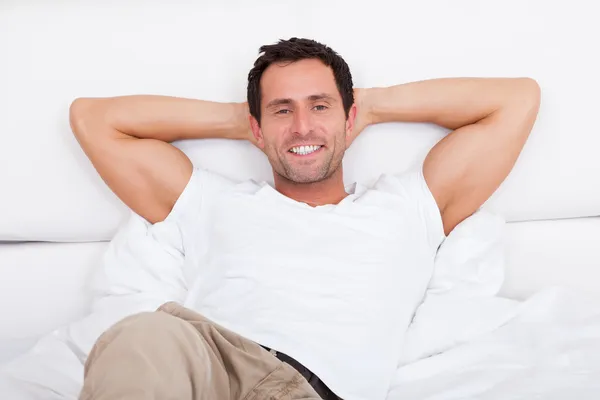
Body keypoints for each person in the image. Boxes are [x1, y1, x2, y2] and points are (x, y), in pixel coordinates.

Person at [69, 37, 540, 400]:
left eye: (319, 106)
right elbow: (93, 119)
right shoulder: (213, 201)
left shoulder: (407, 206)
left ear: (348, 118)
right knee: (142, 333)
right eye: (282, 110)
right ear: (256, 127)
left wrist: (368, 107)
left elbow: (516, 100)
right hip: (206, 363)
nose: (301, 127)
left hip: (306, 388)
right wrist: (247, 121)